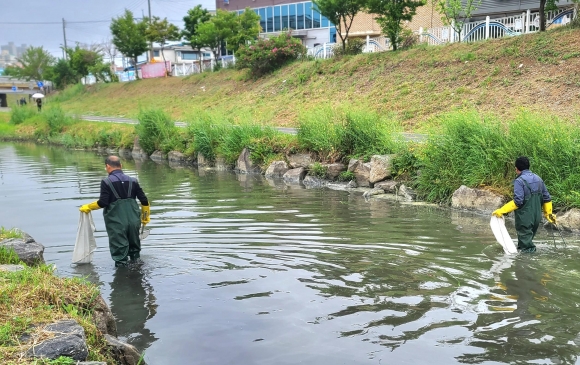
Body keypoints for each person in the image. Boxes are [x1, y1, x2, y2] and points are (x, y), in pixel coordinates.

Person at [79, 156, 150, 267]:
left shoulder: (106, 182)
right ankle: (137, 274)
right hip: (134, 220)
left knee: (120, 249)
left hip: (117, 221)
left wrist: (88, 207)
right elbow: (144, 201)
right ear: (121, 166)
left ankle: (122, 277)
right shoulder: (133, 181)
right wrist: (145, 216)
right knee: (134, 248)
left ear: (107, 166)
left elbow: (103, 203)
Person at [492, 156, 555, 252]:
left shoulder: (519, 181)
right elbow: (547, 198)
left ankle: (526, 264)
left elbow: (518, 201)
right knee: (526, 242)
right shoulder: (538, 178)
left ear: (516, 169)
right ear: (528, 167)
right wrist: (548, 214)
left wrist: (502, 211)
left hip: (525, 219)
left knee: (527, 248)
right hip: (536, 218)